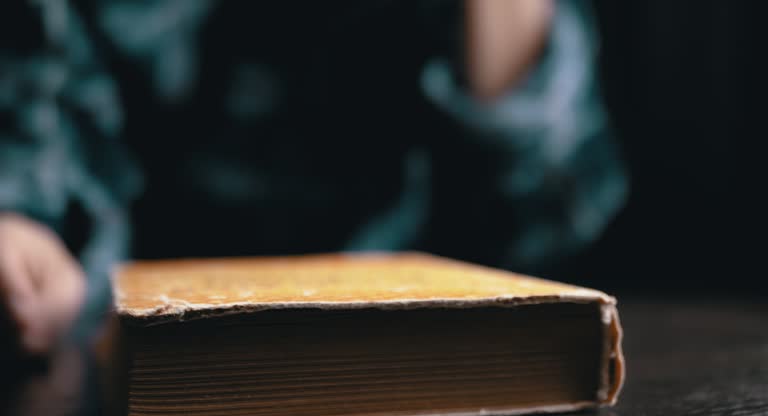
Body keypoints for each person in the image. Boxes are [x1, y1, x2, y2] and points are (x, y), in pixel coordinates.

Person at [0, 0, 626, 355]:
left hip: (402, 355)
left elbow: (553, 222)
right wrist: (26, 229)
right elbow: (48, 132)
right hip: (126, 354)